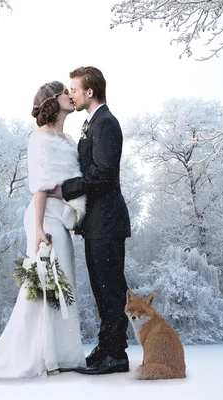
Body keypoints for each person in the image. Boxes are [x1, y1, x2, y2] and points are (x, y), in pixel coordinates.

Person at [0, 81, 86, 379]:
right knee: (47, 283)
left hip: (61, 217)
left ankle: (63, 353)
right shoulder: (41, 138)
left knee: (65, 282)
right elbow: (40, 186)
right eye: (64, 92)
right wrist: (37, 229)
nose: (70, 96)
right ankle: (44, 355)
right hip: (44, 216)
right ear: (52, 100)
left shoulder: (69, 139)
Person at [51, 66, 131, 375]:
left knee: (110, 289)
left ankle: (116, 355)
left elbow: (104, 173)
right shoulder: (93, 123)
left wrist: (65, 189)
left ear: (90, 92)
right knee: (101, 289)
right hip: (98, 223)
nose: (70, 93)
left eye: (74, 88)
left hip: (108, 222)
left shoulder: (106, 123)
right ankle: (106, 348)